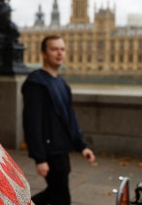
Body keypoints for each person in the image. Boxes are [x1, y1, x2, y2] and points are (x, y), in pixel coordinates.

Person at [22, 35, 96, 205]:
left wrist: (82, 146)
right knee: (61, 197)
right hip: (49, 151)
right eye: (54, 49)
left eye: (62, 49)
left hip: (62, 149)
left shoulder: (62, 84)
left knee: (54, 193)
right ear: (43, 53)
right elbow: (33, 123)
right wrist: (40, 158)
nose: (59, 53)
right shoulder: (36, 83)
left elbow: (70, 117)